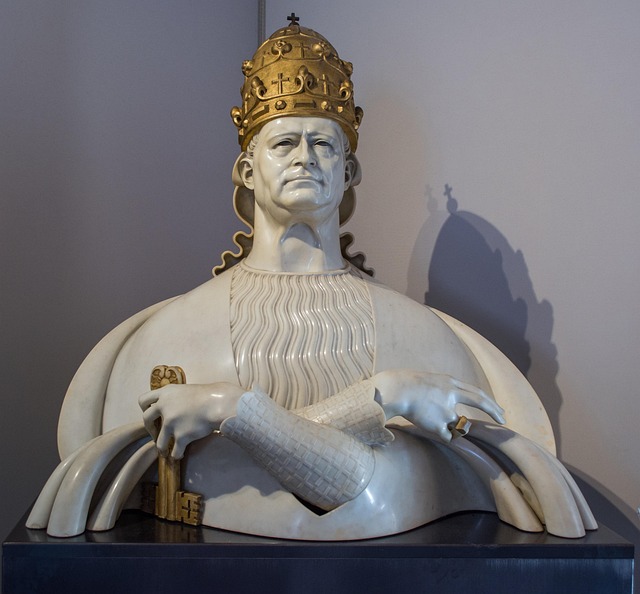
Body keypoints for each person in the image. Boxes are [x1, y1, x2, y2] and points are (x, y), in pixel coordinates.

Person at [27, 19, 595, 540]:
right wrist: (386, 398)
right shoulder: (167, 333)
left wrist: (232, 409)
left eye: (322, 143)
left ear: (348, 172)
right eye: (284, 143)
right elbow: (356, 480)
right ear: (247, 170)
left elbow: (350, 489)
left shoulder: (424, 336)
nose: (305, 158)